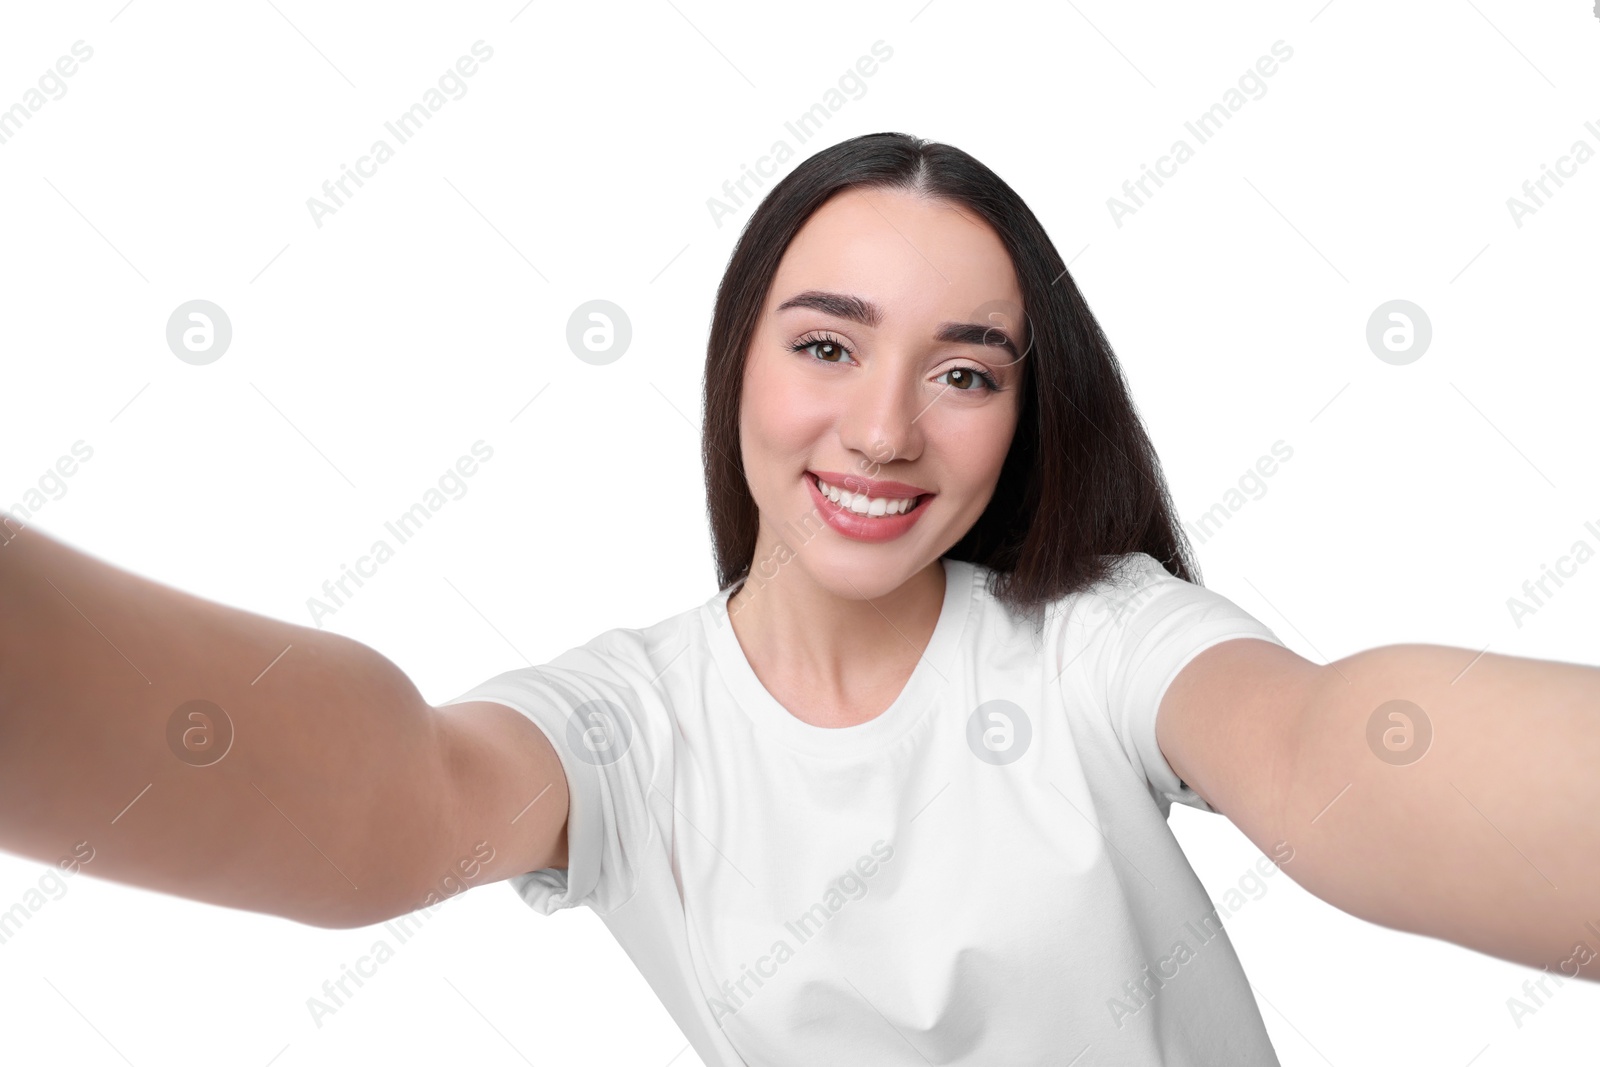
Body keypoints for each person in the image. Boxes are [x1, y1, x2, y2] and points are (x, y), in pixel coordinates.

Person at [2, 131, 1596, 1066]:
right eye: (827, 345)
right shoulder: (627, 727)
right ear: (738, 367)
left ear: (1025, 413)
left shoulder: (1096, 637)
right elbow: (389, 796)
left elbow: (1335, 753)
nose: (886, 429)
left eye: (963, 370)